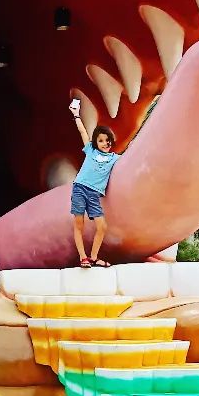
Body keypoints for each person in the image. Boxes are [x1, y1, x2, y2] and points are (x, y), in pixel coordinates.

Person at [69, 98, 120, 268]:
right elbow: (83, 133)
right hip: (79, 188)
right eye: (101, 141)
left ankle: (94, 257)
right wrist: (76, 115)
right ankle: (83, 257)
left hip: (94, 194)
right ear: (96, 143)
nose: (105, 143)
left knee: (102, 227)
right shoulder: (90, 150)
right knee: (79, 224)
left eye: (107, 140)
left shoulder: (114, 158)